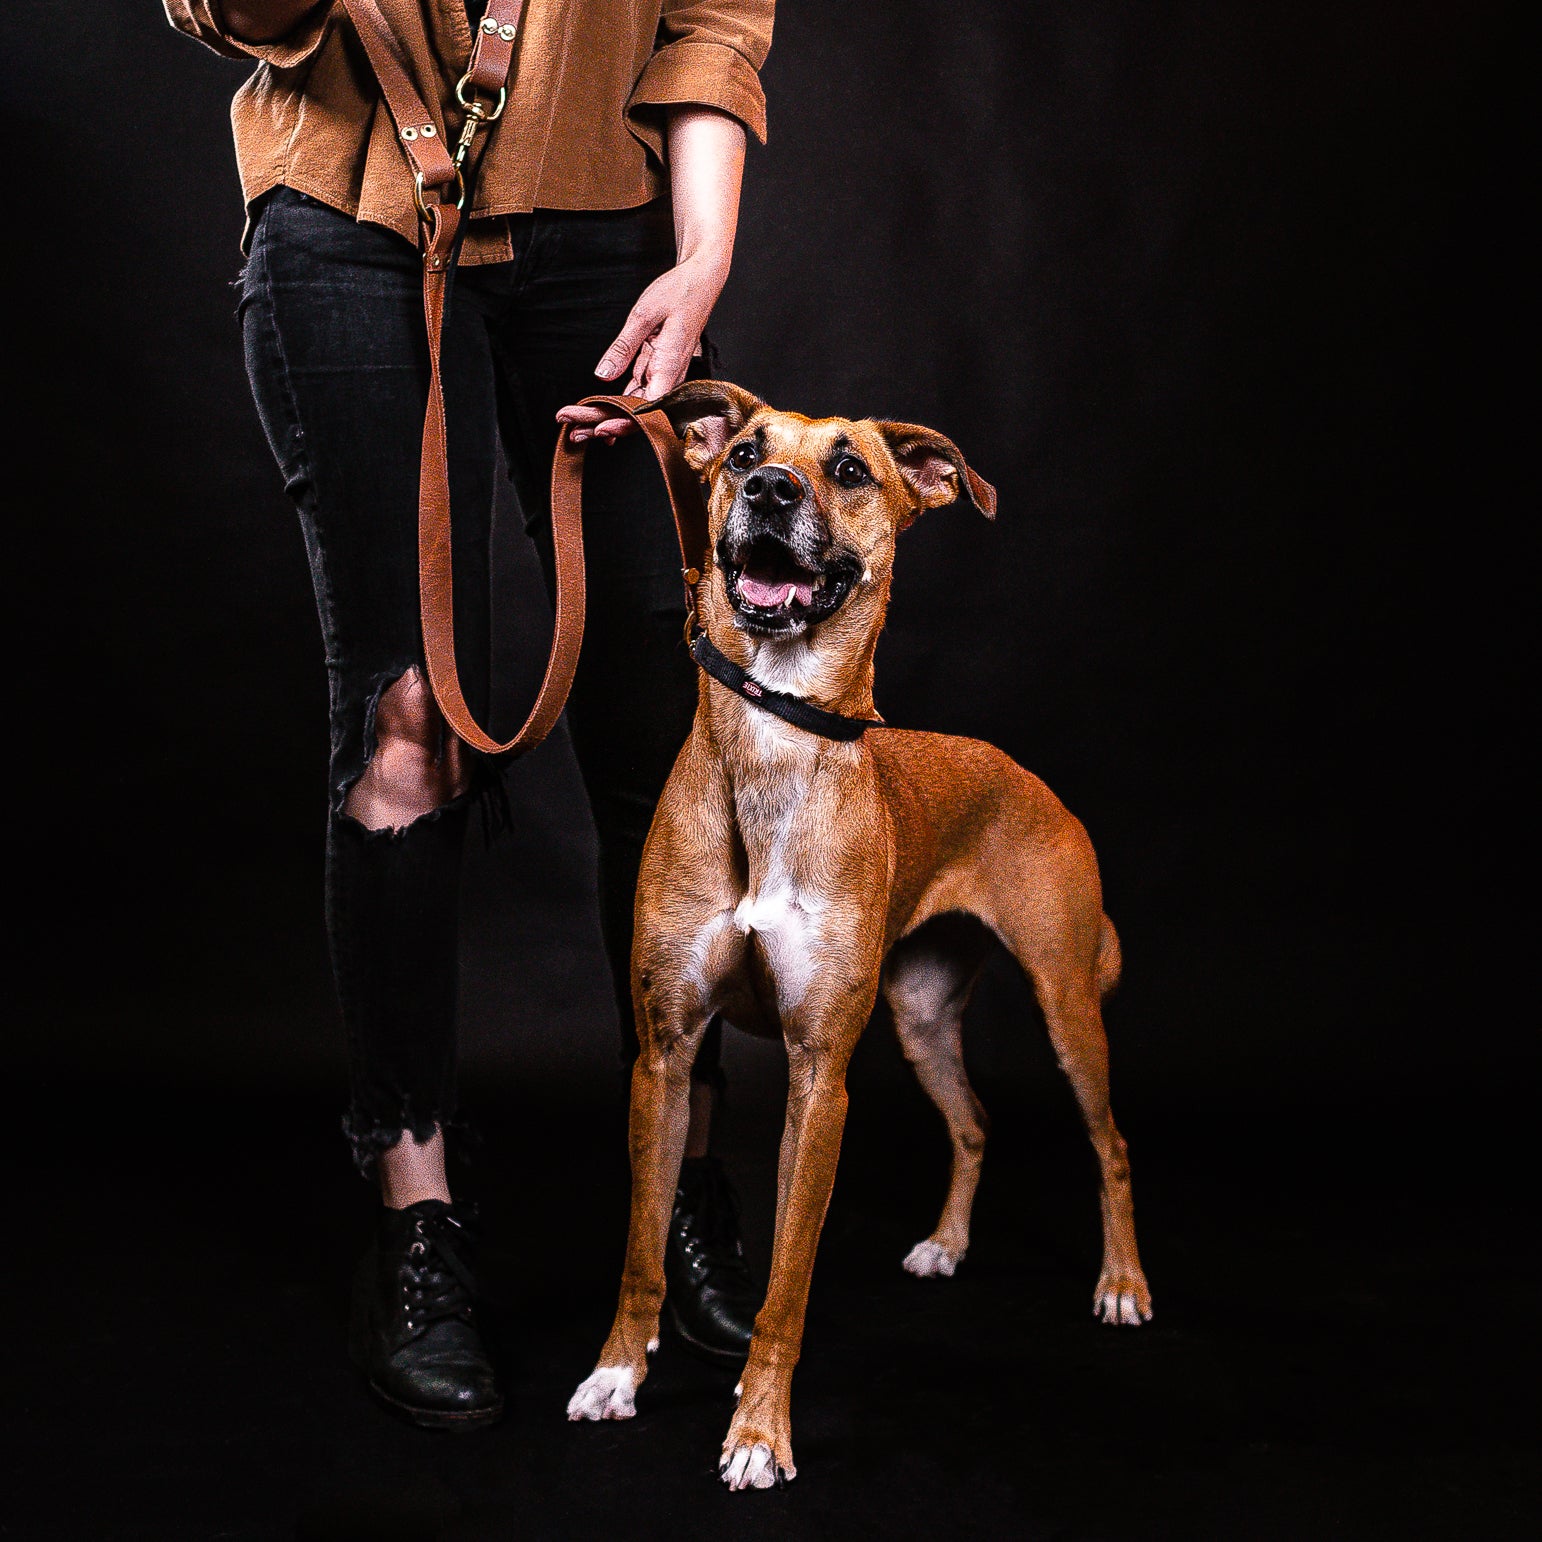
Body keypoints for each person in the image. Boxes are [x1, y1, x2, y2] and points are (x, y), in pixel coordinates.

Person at [165, 0, 774, 1427]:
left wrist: (700, 260)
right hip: (349, 220)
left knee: (662, 724)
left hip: (613, 231)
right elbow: (241, 18)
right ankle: (415, 1211)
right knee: (405, 727)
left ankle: (681, 1176)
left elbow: (708, 31)